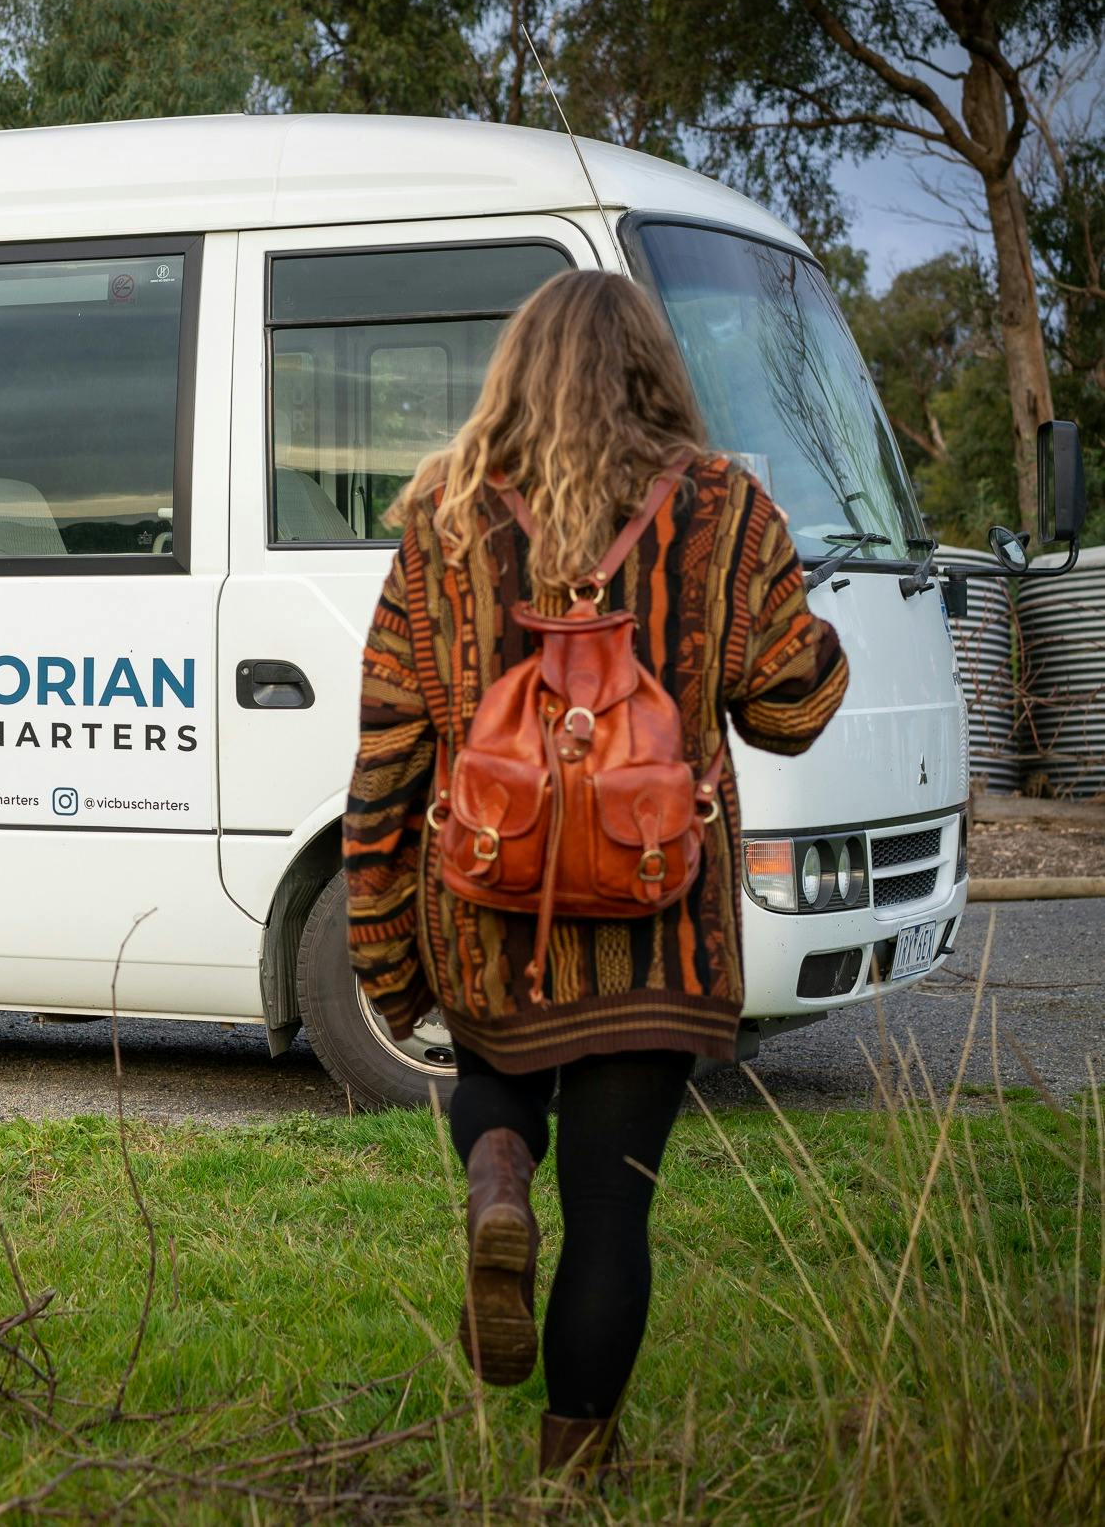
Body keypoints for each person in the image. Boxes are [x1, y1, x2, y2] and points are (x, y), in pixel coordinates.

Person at [343, 270, 846, 1478]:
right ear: (656, 373)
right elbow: (794, 705)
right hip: (655, 918)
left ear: (510, 373)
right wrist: (792, 619)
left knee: (499, 1090)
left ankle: (497, 1177)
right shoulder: (724, 507)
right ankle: (573, 1470)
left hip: (483, 903)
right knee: (613, 1211)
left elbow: (389, 747)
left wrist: (381, 948)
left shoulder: (442, 516)